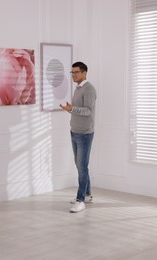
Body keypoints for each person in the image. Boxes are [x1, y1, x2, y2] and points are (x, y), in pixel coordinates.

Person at [60, 61, 96, 213]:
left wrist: (73, 109)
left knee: (82, 167)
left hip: (85, 134)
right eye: (72, 72)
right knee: (80, 166)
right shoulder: (78, 88)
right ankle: (87, 194)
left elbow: (88, 110)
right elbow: (78, 111)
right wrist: (70, 110)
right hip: (74, 131)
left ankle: (80, 200)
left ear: (84, 73)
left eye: (76, 72)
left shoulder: (89, 89)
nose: (73, 75)